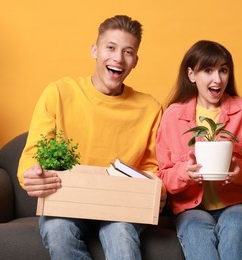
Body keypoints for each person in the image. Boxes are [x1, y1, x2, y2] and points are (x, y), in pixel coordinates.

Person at [17, 15, 165, 260]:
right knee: (56, 229)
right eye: (110, 48)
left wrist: (159, 189)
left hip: (122, 206)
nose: (118, 58)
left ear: (135, 61)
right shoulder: (59, 93)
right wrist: (30, 175)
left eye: (128, 52)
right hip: (67, 201)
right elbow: (33, 152)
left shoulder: (150, 108)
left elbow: (154, 166)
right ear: (94, 50)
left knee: (121, 233)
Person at [155, 40, 242, 260]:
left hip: (240, 204)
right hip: (191, 209)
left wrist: (240, 170)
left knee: (235, 227)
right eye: (208, 71)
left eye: (223, 70)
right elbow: (163, 174)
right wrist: (184, 174)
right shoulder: (173, 116)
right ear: (191, 75)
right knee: (196, 233)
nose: (217, 79)